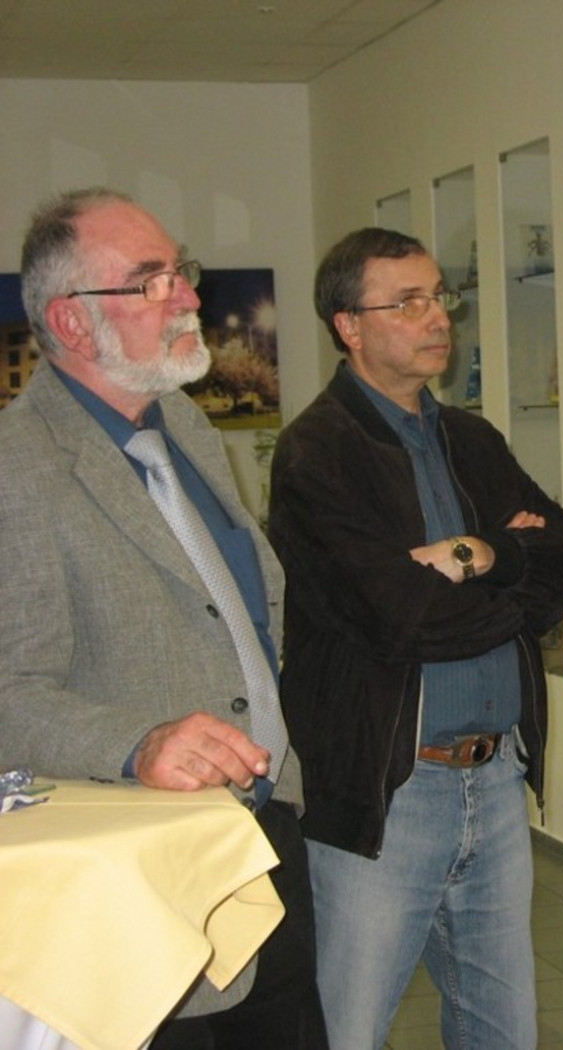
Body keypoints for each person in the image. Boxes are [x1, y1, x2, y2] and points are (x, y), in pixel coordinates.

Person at [0, 187, 327, 1047]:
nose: (187, 296)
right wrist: (136, 743)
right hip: (140, 875)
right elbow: (9, 690)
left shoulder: (182, 423)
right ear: (72, 322)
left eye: (181, 271)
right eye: (151, 281)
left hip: (260, 837)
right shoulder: (17, 468)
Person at [268, 227, 563, 1050]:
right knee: (349, 1028)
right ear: (349, 325)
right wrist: (518, 575)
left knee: (502, 1029)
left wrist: (480, 555)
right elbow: (402, 616)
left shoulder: (472, 441)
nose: (438, 316)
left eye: (439, 295)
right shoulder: (317, 452)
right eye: (407, 301)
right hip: (389, 791)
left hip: (496, 779)